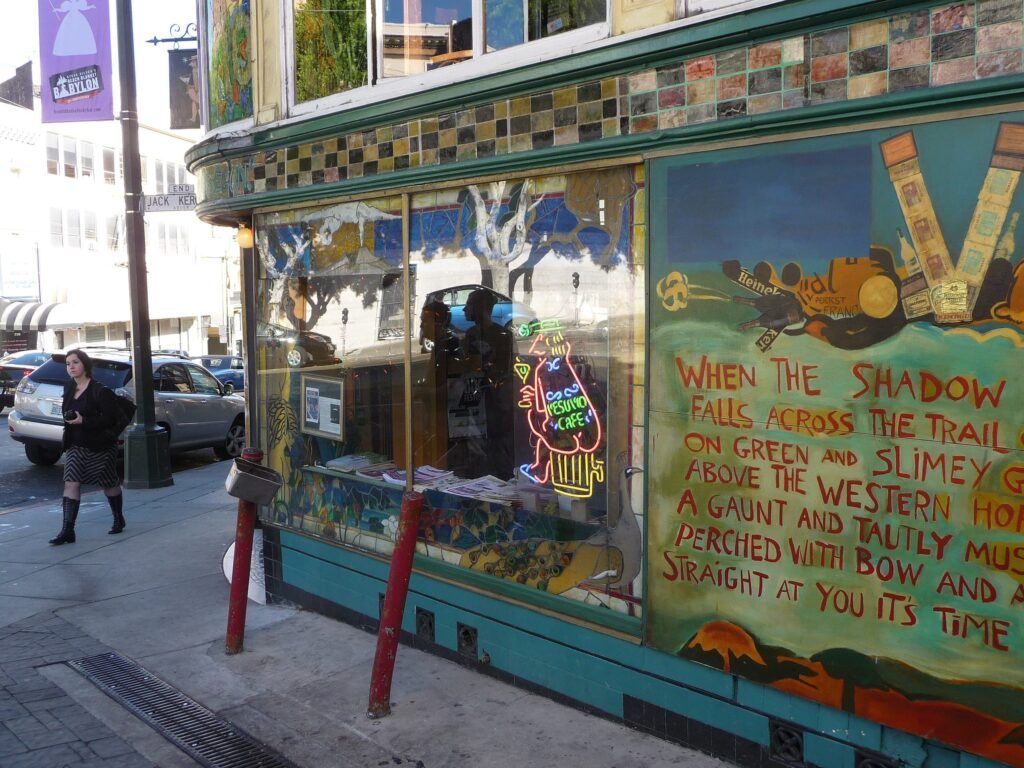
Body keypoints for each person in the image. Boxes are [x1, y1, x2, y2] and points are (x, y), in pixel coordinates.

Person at [49, 349, 125, 546]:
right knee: (71, 482)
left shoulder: (100, 391)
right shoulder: (69, 387)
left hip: (100, 446)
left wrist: (84, 420)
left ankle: (118, 518)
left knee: (109, 482)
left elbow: (110, 420)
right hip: (76, 444)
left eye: (75, 362)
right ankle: (68, 531)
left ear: (85, 365)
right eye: (68, 364)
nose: (71, 367)